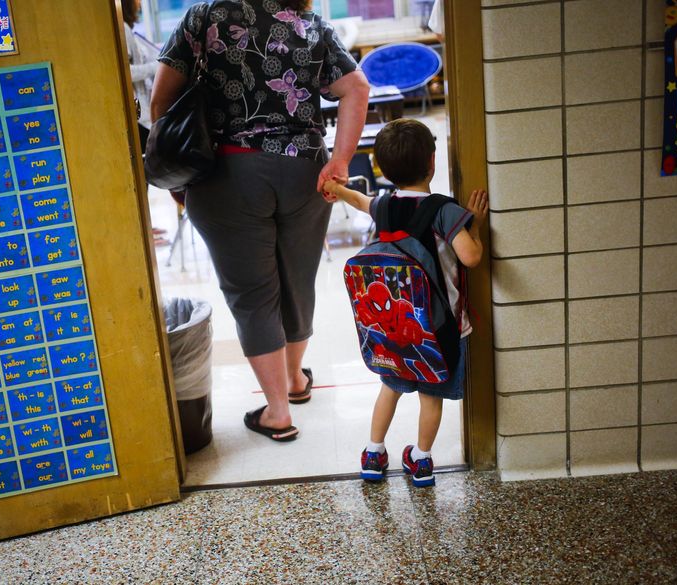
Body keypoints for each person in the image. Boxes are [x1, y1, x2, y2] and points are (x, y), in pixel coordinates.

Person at [151, 0, 369, 441]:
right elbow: (357, 87)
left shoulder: (202, 16)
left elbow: (161, 100)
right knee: (297, 280)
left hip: (227, 172)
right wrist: (341, 161)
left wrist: (177, 170)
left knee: (253, 295)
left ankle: (277, 412)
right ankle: (294, 379)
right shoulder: (309, 23)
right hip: (305, 171)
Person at [322, 118, 488, 486]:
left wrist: (336, 188)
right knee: (431, 397)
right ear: (432, 162)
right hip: (439, 329)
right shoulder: (445, 210)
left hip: (392, 329)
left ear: (382, 168)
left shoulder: (384, 206)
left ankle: (373, 452)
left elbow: (362, 201)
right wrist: (474, 224)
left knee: (390, 390)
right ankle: (422, 460)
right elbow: (471, 257)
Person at [122, 0, 168, 245]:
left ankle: (146, 227)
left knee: (142, 177)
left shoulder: (128, 30)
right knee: (140, 178)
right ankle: (142, 231)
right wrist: (156, 67)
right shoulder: (123, 29)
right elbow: (124, 70)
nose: (140, 5)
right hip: (137, 114)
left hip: (140, 112)